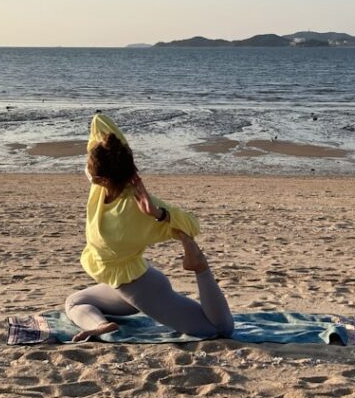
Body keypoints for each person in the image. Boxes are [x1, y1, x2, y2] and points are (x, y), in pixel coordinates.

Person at [64, 113, 234, 342]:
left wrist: (158, 214)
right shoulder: (102, 187)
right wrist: (110, 143)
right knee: (74, 302)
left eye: (89, 166)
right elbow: (100, 123)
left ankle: (201, 269)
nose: (86, 168)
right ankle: (102, 326)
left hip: (143, 290)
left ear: (102, 178)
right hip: (121, 283)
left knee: (220, 329)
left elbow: (193, 226)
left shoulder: (135, 208)